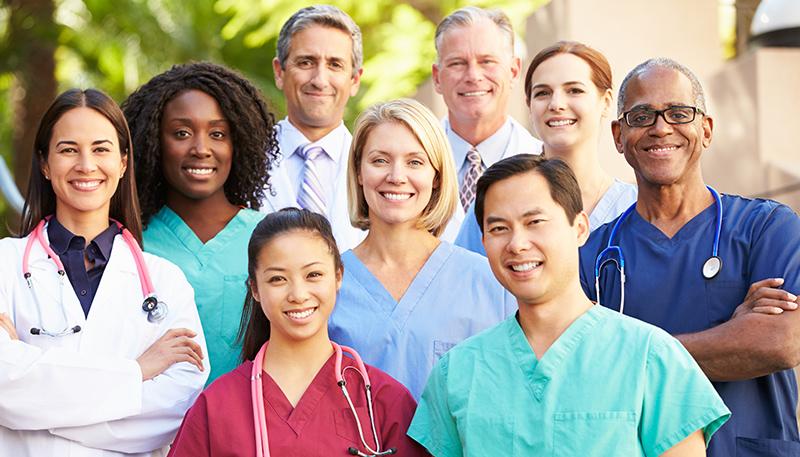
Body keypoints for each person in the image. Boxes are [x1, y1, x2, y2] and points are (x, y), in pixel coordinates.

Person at [409, 154, 730, 456]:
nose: (517, 244)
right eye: (499, 228)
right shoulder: (458, 372)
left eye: (535, 222)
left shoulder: (652, 358)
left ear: (579, 228)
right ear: (484, 243)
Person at [579, 58, 800, 456]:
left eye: (679, 113)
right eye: (641, 115)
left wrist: (627, 355)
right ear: (618, 135)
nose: (661, 127)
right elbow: (584, 373)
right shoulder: (591, 256)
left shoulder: (766, 227)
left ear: (706, 129)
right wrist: (732, 333)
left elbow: (782, 342)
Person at [0, 89, 208, 456]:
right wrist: (137, 372)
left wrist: (32, 399)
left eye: (100, 149)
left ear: (123, 161)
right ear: (45, 164)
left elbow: (174, 410)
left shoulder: (166, 282)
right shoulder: (5, 265)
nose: (85, 164)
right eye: (68, 149)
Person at [168, 208, 427, 456]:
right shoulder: (217, 407)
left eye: (313, 274)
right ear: (255, 289)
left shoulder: (383, 401)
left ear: (338, 277)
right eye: (278, 279)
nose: (298, 295)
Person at [328, 99, 513, 399]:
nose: (397, 176)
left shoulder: (490, 284)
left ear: (437, 176)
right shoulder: (328, 285)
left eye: (415, 162)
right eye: (379, 160)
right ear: (359, 172)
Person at [123, 62, 275, 384]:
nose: (201, 149)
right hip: (151, 429)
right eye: (181, 133)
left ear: (239, 143)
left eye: (218, 134)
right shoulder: (130, 242)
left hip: (248, 427)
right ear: (152, 140)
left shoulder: (271, 239)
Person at [455, 41, 637, 255]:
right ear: (529, 106)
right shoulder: (495, 201)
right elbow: (459, 281)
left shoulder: (636, 207)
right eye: (543, 93)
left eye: (574, 90)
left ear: (606, 102)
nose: (556, 104)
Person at [432, 6, 542, 238]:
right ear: (437, 78)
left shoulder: (543, 160)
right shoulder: (413, 162)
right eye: (457, 63)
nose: (473, 76)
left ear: (513, 71)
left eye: (487, 61)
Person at [262, 5, 365, 250]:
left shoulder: (377, 168)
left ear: (354, 80)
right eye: (306, 62)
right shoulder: (243, 160)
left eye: (335, 65)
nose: (319, 80)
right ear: (279, 72)